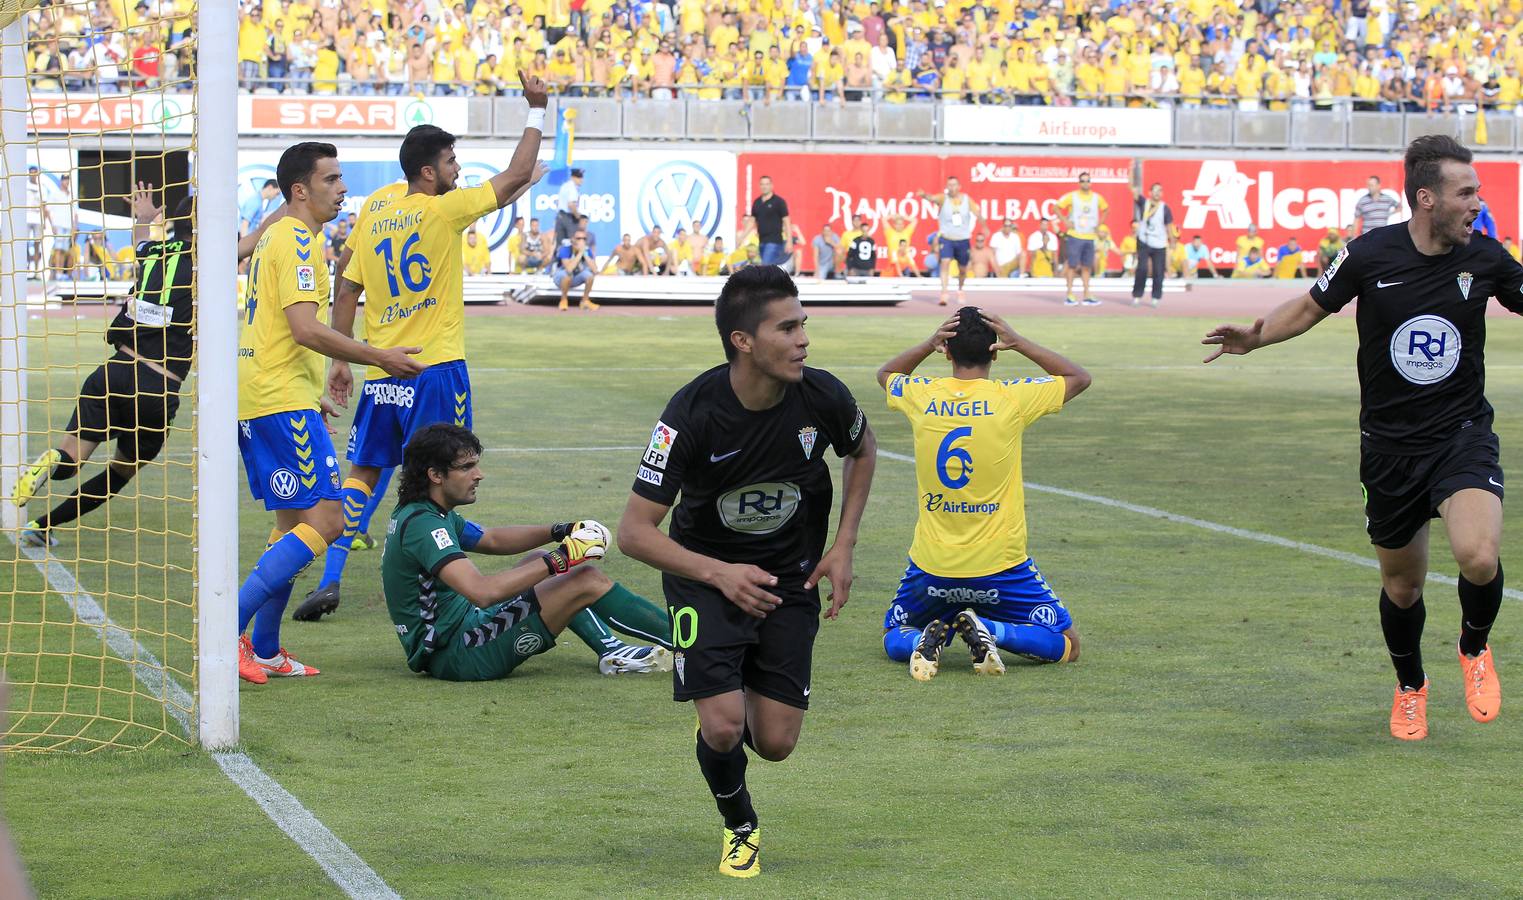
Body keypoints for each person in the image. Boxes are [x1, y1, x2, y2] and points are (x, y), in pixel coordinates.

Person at [1203, 135, 1523, 741]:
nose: (1477, 203)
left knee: (1478, 557)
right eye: (1467, 192)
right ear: (1427, 199)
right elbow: (1310, 305)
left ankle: (1474, 648)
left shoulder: (1485, 257)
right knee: (1402, 586)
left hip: (1461, 436)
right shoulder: (1369, 255)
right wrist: (1255, 338)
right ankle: (1410, 688)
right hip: (1389, 449)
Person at [617, 266, 876, 878]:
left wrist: (843, 545)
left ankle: (727, 730)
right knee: (727, 725)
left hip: (791, 579)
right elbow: (634, 532)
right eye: (787, 328)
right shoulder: (690, 414)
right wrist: (719, 574)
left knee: (778, 742)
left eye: (803, 323)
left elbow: (863, 450)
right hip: (703, 577)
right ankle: (740, 823)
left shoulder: (825, 396)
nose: (803, 339)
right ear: (743, 341)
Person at [296, 74, 550, 622]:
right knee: (443, 483)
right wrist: (537, 110)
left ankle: (331, 576)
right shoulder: (443, 210)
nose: (459, 172)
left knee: (363, 474)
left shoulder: (380, 211)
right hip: (434, 369)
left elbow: (347, 287)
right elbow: (516, 175)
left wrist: (341, 357)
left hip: (384, 372)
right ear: (429, 172)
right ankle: (439, 584)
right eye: (453, 164)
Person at [234, 141, 427, 684]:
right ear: (302, 190)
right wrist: (376, 356)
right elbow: (305, 328)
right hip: (277, 400)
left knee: (292, 525)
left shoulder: (280, 235)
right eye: (331, 179)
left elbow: (276, 327)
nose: (342, 188)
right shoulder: (294, 240)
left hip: (269, 392)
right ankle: (228, 638)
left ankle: (266, 648)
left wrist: (308, 385)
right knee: (331, 518)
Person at [877, 307, 1089, 680]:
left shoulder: (922, 395)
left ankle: (922, 640)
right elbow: (1078, 377)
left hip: (933, 566)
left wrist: (927, 343)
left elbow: (886, 374)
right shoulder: (1011, 398)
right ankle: (994, 630)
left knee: (894, 634)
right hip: (1001, 566)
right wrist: (1020, 343)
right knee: (1067, 642)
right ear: (995, 350)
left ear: (946, 350)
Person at [381, 424, 673, 680]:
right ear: (435, 475)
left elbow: (492, 539)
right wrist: (561, 558)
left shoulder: (424, 513)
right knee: (585, 579)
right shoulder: (426, 526)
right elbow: (481, 592)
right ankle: (695, 643)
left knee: (535, 561)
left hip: (457, 634)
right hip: (460, 652)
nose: (479, 475)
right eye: (467, 467)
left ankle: (612, 650)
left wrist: (559, 530)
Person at [14, 185, 197, 546]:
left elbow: (143, 242)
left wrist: (144, 218)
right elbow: (250, 242)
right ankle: (41, 525)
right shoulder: (204, 262)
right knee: (120, 471)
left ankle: (50, 462)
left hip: (113, 372)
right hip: (156, 387)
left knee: (70, 460)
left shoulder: (154, 253)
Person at [917, 177, 976, 305]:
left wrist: (985, 225)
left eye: (954, 185)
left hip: (962, 239)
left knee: (963, 269)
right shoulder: (943, 198)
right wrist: (924, 196)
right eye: (949, 185)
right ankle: (944, 293)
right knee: (944, 263)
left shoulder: (966, 200)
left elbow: (977, 213)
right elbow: (932, 198)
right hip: (947, 237)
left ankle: (960, 289)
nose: (952, 187)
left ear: (959, 186)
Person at [1056, 171, 1107, 306]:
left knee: (1087, 266)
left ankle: (1086, 294)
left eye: (1087, 180)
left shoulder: (1096, 198)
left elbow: (1106, 209)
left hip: (1089, 236)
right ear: (1079, 183)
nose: (1085, 183)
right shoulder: (1073, 196)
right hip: (1075, 235)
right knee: (1072, 265)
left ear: (1090, 183)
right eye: (1083, 181)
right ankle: (1070, 294)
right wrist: (1065, 221)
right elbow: (1057, 207)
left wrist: (1099, 224)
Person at [1132, 182, 1173, 308]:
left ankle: (1156, 297)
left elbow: (1169, 225)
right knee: (1142, 268)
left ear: (1162, 193)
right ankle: (1137, 295)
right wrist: (1131, 170)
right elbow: (1133, 191)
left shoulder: (1164, 208)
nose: (1157, 193)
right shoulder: (1145, 203)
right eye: (1154, 190)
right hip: (1144, 240)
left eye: (1159, 190)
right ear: (1150, 192)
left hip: (1159, 243)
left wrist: (1172, 240)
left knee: (1158, 271)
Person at [551, 232, 600, 310]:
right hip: (560, 278)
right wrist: (580, 253)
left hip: (575, 277)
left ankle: (585, 301)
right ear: (572, 240)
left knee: (590, 276)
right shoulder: (565, 249)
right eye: (579, 238)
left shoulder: (587, 250)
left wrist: (584, 254)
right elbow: (569, 269)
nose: (581, 240)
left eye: (584, 238)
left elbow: (595, 270)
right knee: (566, 275)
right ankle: (563, 300)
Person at [750, 175, 791, 266]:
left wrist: (789, 241)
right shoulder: (757, 202)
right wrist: (741, 237)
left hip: (774, 241)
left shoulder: (779, 202)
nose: (764, 186)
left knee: (765, 267)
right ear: (759, 186)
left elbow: (787, 222)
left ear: (771, 185)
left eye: (767, 184)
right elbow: (752, 221)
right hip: (761, 241)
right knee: (768, 270)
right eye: (762, 184)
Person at [553, 166, 584, 249]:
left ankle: (559, 261)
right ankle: (574, 261)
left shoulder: (564, 186)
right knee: (574, 243)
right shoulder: (573, 188)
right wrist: (578, 217)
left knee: (560, 244)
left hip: (560, 217)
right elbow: (571, 205)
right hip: (569, 218)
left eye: (581, 177)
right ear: (573, 177)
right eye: (579, 177)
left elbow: (558, 202)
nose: (581, 179)